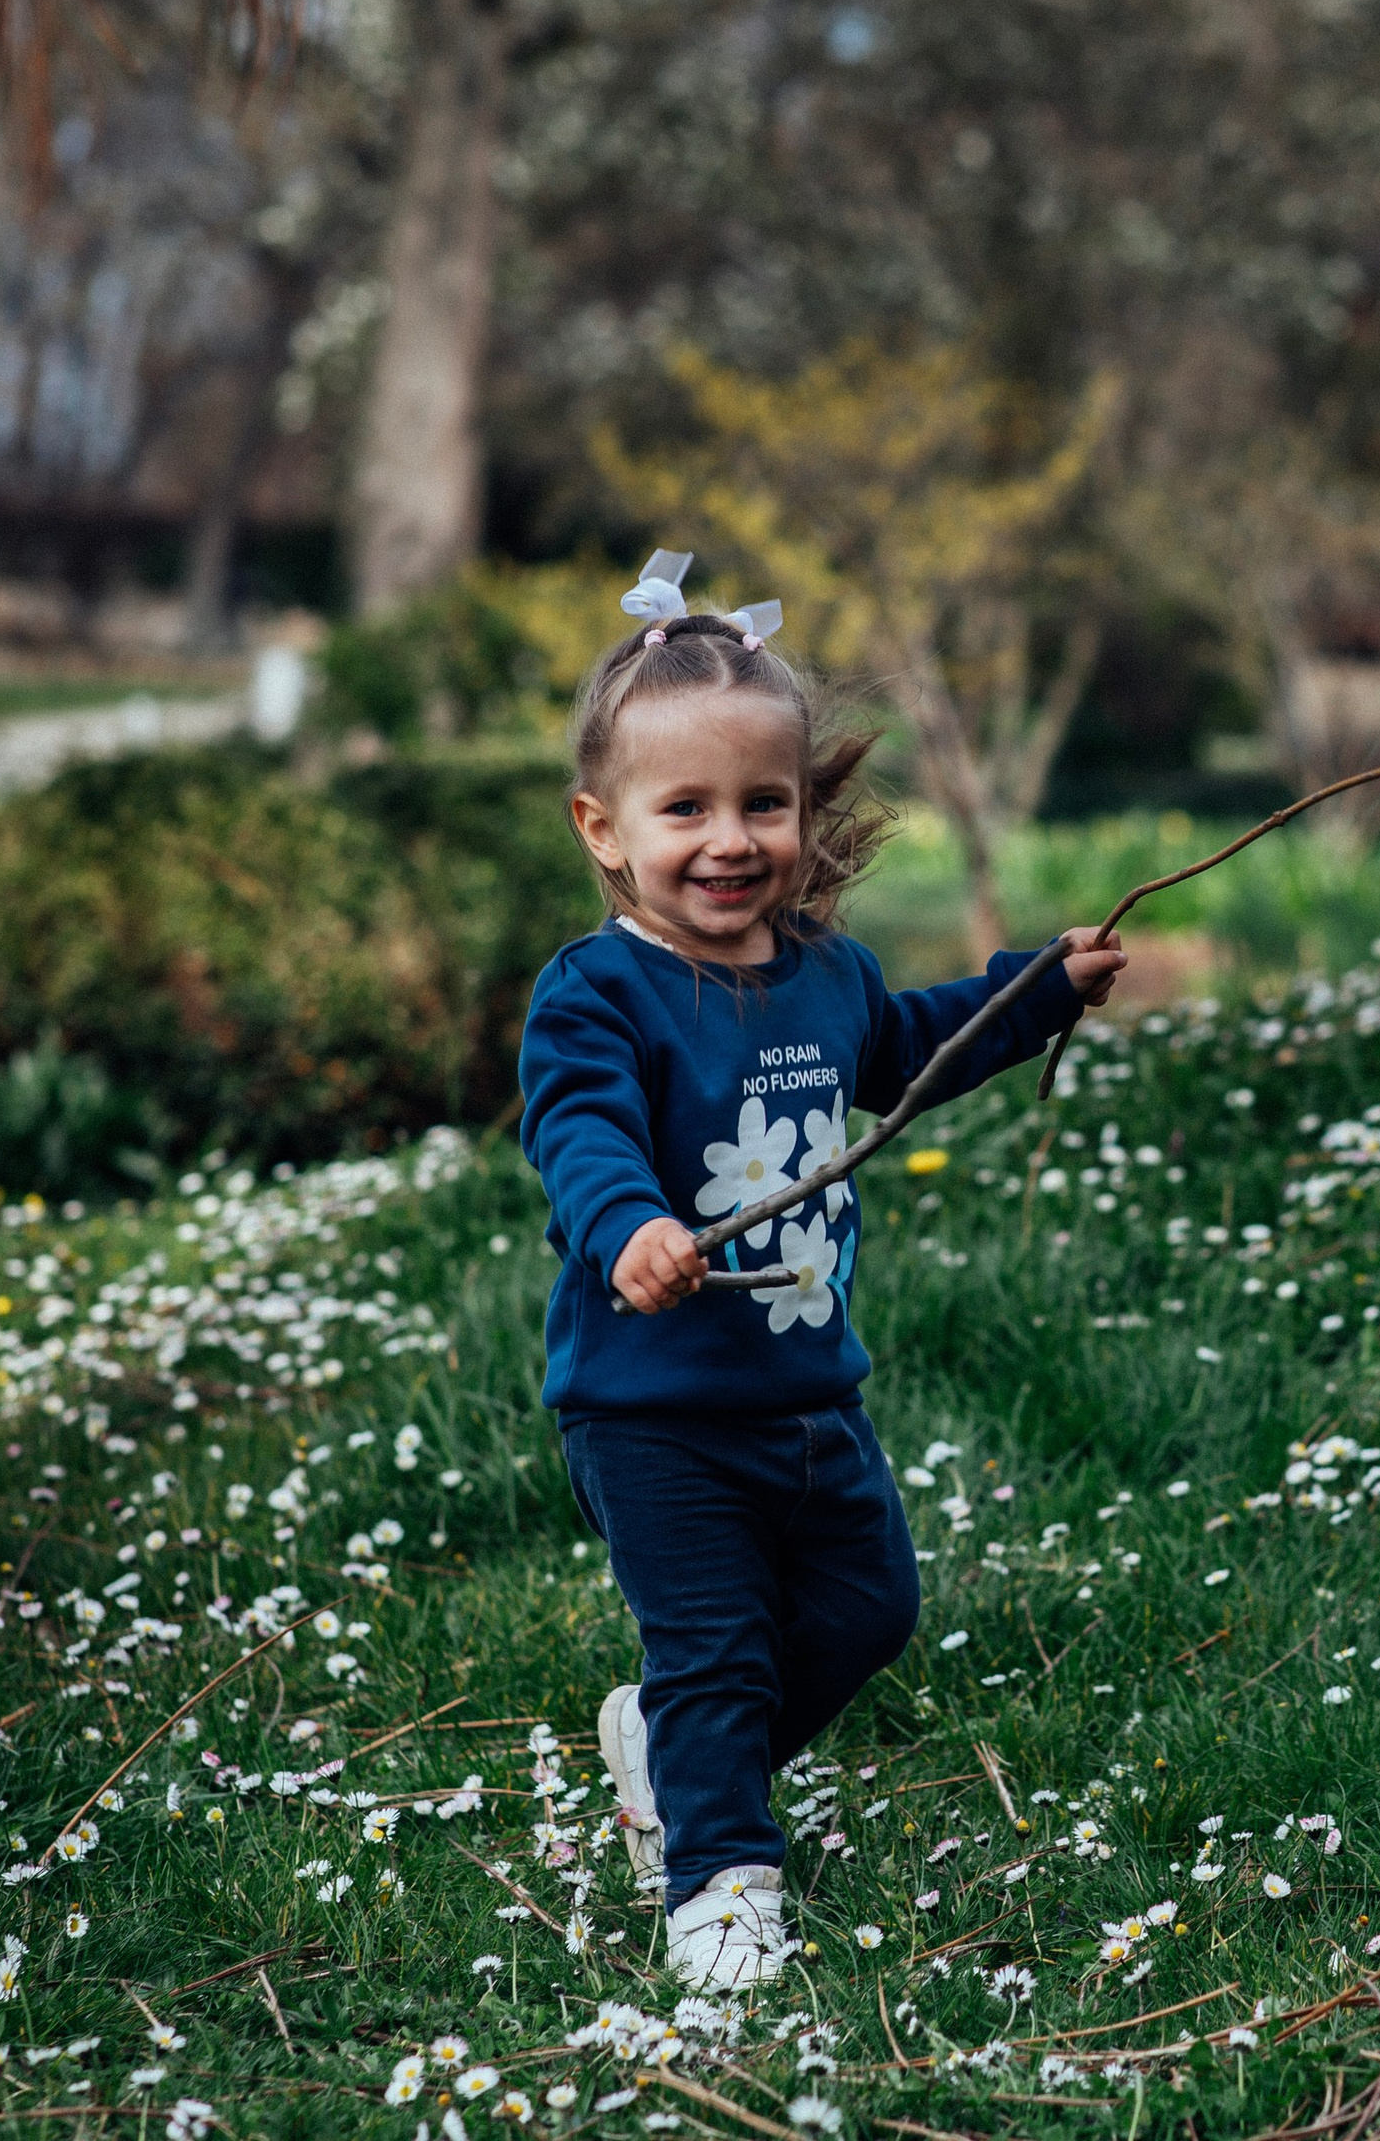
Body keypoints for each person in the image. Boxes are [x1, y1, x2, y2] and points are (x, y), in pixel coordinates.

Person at [518, 559, 1124, 1989]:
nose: (730, 841)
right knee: (718, 1646)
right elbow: (582, 1128)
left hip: (808, 1393)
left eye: (763, 805)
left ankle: (672, 1752)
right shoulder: (594, 994)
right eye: (686, 811)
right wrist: (630, 1230)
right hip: (654, 1404)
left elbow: (912, 1049)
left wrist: (1035, 992)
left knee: (870, 1608)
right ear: (604, 831)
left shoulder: (824, 974)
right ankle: (720, 1882)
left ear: (803, 813)